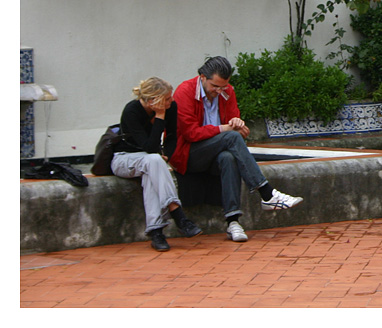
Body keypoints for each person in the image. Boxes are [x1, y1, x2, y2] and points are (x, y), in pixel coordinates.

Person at [167, 56, 303, 243]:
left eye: (223, 86)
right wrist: (227, 129)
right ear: (203, 77)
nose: (219, 91)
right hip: (188, 153)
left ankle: (233, 222)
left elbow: (234, 123)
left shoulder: (227, 91)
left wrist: (238, 125)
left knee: (228, 158)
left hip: (215, 151)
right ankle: (266, 193)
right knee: (231, 138)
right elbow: (191, 133)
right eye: (215, 86)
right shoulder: (185, 91)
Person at [112, 77, 202, 251]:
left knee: (152, 168)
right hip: (124, 159)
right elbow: (150, 147)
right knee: (153, 160)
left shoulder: (171, 108)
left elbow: (171, 138)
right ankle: (178, 214)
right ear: (154, 101)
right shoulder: (132, 111)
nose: (172, 101)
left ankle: (156, 232)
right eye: (167, 98)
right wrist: (160, 116)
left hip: (150, 161)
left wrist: (166, 156)